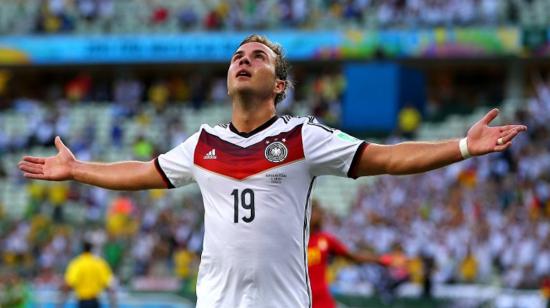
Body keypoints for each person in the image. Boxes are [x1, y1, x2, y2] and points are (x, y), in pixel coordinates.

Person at [18, 34, 527, 308]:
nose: (243, 60)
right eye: (238, 55)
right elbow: (143, 171)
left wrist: (462, 144)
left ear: (279, 85)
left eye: (257, 56)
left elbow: (389, 158)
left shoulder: (303, 137)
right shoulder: (203, 143)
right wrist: (80, 171)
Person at [308, 200, 380, 308]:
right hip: (300, 297)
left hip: (321, 298)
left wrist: (380, 260)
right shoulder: (295, 241)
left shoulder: (325, 239)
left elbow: (352, 256)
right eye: (313, 211)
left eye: (318, 212)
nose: (317, 215)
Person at [61, 241, 115, 308]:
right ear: (92, 249)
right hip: (95, 301)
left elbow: (69, 284)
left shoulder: (77, 263)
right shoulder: (99, 263)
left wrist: (61, 303)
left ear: (82, 249)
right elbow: (108, 285)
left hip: (82, 302)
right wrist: (113, 303)